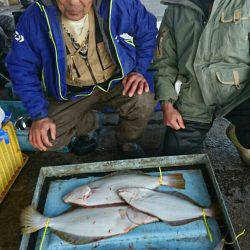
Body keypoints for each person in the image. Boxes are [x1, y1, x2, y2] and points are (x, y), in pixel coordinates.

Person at [6, 0, 157, 157]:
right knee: (46, 138)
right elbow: (21, 66)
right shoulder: (35, 17)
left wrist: (138, 71)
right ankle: (91, 123)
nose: (74, 3)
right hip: (71, 92)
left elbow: (147, 30)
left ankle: (127, 141)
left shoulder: (119, 4)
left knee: (143, 101)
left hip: (116, 82)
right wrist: (39, 115)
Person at [153, 0, 250, 165]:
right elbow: (164, 62)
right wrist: (167, 105)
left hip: (239, 92)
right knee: (176, 164)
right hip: (192, 95)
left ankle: (242, 137)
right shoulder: (175, 9)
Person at [0, 14, 14, 83]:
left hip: (9, 30)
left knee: (5, 61)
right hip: (7, 29)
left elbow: (3, 38)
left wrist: (5, 52)